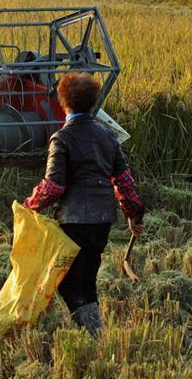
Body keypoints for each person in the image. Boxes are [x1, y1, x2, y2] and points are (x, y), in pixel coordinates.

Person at [23, 71, 144, 337]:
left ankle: (92, 331)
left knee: (66, 282)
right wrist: (134, 214)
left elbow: (54, 187)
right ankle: (95, 332)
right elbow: (124, 181)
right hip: (102, 221)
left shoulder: (61, 139)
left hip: (74, 221)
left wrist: (29, 205)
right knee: (87, 278)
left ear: (63, 102)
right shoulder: (108, 136)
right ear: (92, 101)